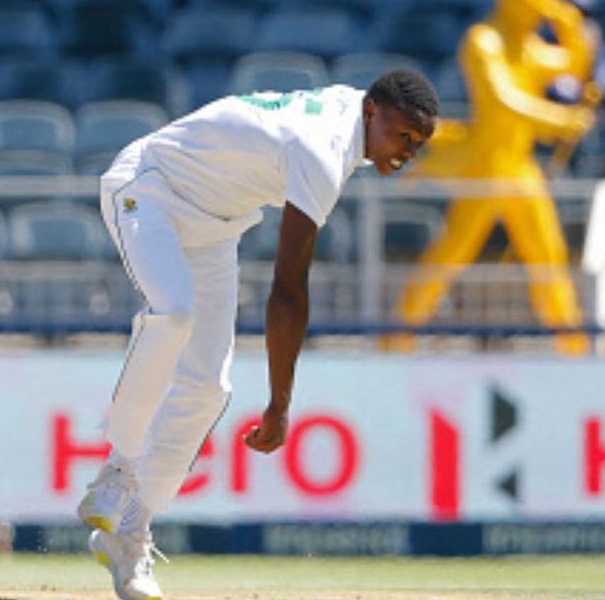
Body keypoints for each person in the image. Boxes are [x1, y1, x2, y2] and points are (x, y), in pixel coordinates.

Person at [76, 70, 439, 600]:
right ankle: (118, 470)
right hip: (149, 186)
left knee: (207, 390)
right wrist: (280, 404)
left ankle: (127, 536)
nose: (407, 152)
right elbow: (289, 288)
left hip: (217, 227)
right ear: (371, 112)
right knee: (173, 312)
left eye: (418, 144)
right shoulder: (324, 148)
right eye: (403, 136)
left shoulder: (353, 111)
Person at [392, 0, 596, 355]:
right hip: (485, 168)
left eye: (538, 9)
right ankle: (396, 338)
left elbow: (574, 65)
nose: (532, 16)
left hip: (519, 169)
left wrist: (568, 24)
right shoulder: (482, 41)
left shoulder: (531, 48)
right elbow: (503, 101)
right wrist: (558, 119)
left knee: (548, 257)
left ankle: (575, 349)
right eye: (529, 6)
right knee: (449, 257)